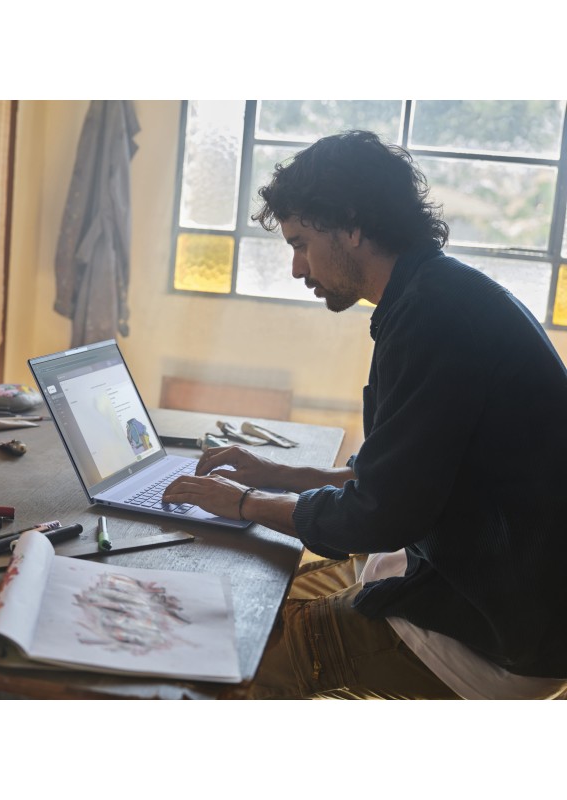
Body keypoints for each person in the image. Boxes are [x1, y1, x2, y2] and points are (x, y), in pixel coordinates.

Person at [162, 130, 567, 700]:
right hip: (481, 584)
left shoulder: (433, 318)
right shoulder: (431, 294)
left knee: (240, 652)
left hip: (498, 630)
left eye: (301, 243)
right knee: (266, 591)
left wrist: (245, 503)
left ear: (351, 224)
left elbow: (377, 515)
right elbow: (386, 476)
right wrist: (272, 473)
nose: (297, 268)